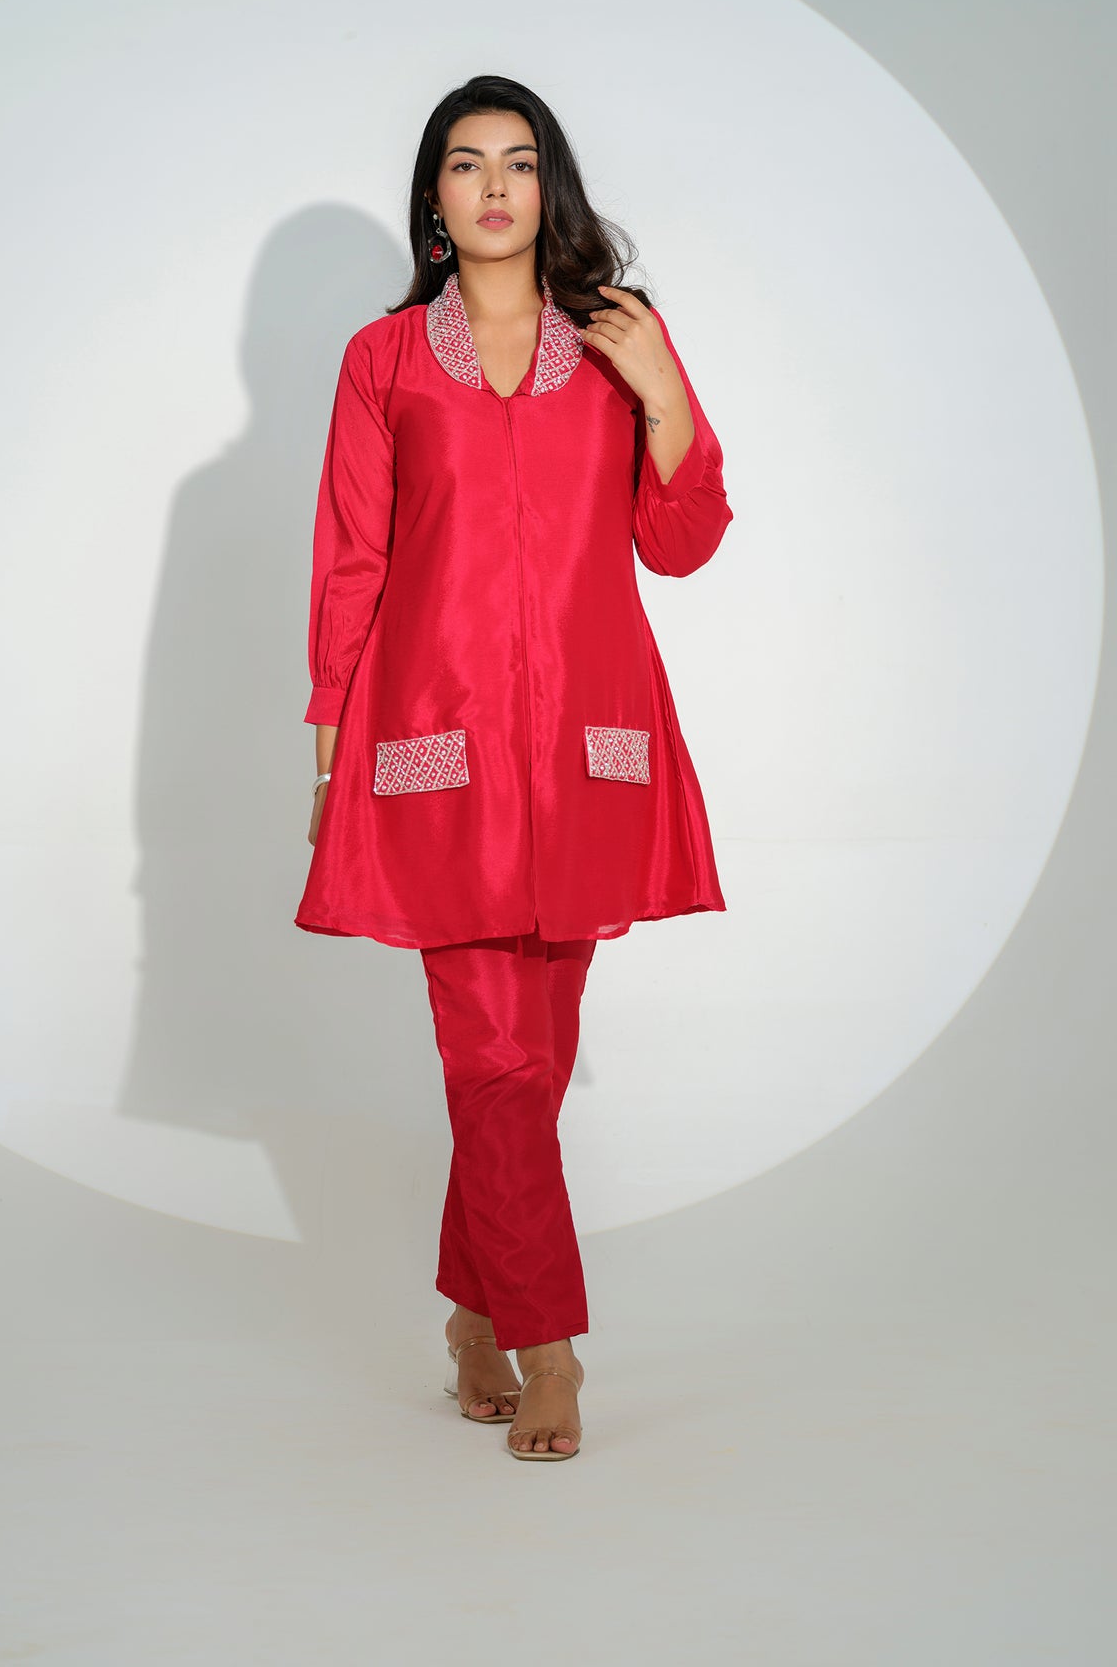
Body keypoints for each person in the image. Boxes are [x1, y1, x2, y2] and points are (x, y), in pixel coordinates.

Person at [295, 75, 734, 1461]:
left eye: (520, 162)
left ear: (550, 189)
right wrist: (330, 743)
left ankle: (472, 1313)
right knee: (490, 1061)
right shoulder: (382, 360)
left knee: (528, 1069)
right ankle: (552, 1350)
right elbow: (352, 557)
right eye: (466, 163)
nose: (494, 185)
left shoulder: (617, 341)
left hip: (592, 746)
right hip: (432, 748)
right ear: (433, 197)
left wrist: (663, 392)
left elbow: (679, 541)